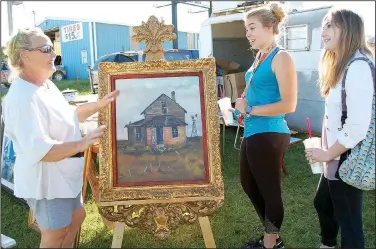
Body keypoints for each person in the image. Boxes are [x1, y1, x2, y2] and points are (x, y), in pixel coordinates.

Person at [2, 27, 119, 248]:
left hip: (62, 175)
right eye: (46, 49)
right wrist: (84, 142)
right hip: (46, 181)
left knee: (76, 218)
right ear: (25, 56)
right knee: (55, 232)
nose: (53, 54)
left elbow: (69, 115)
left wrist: (99, 105)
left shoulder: (45, 84)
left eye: (52, 48)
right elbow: (42, 150)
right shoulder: (21, 98)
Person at [304, 8, 374, 249]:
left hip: (347, 157)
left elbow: (357, 126)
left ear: (349, 30)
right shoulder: (344, 64)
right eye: (323, 26)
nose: (323, 32)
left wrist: (328, 153)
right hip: (336, 155)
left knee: (350, 225)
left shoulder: (358, 67)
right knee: (323, 202)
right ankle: (328, 244)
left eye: (330, 26)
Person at [232, 3, 297, 249]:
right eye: (246, 28)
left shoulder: (281, 57)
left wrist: (249, 109)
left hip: (269, 131)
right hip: (253, 130)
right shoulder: (260, 57)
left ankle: (270, 243)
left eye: (252, 27)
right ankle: (272, 235)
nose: (248, 33)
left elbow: (289, 104)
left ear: (270, 27)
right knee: (249, 184)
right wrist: (243, 107)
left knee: (270, 190)